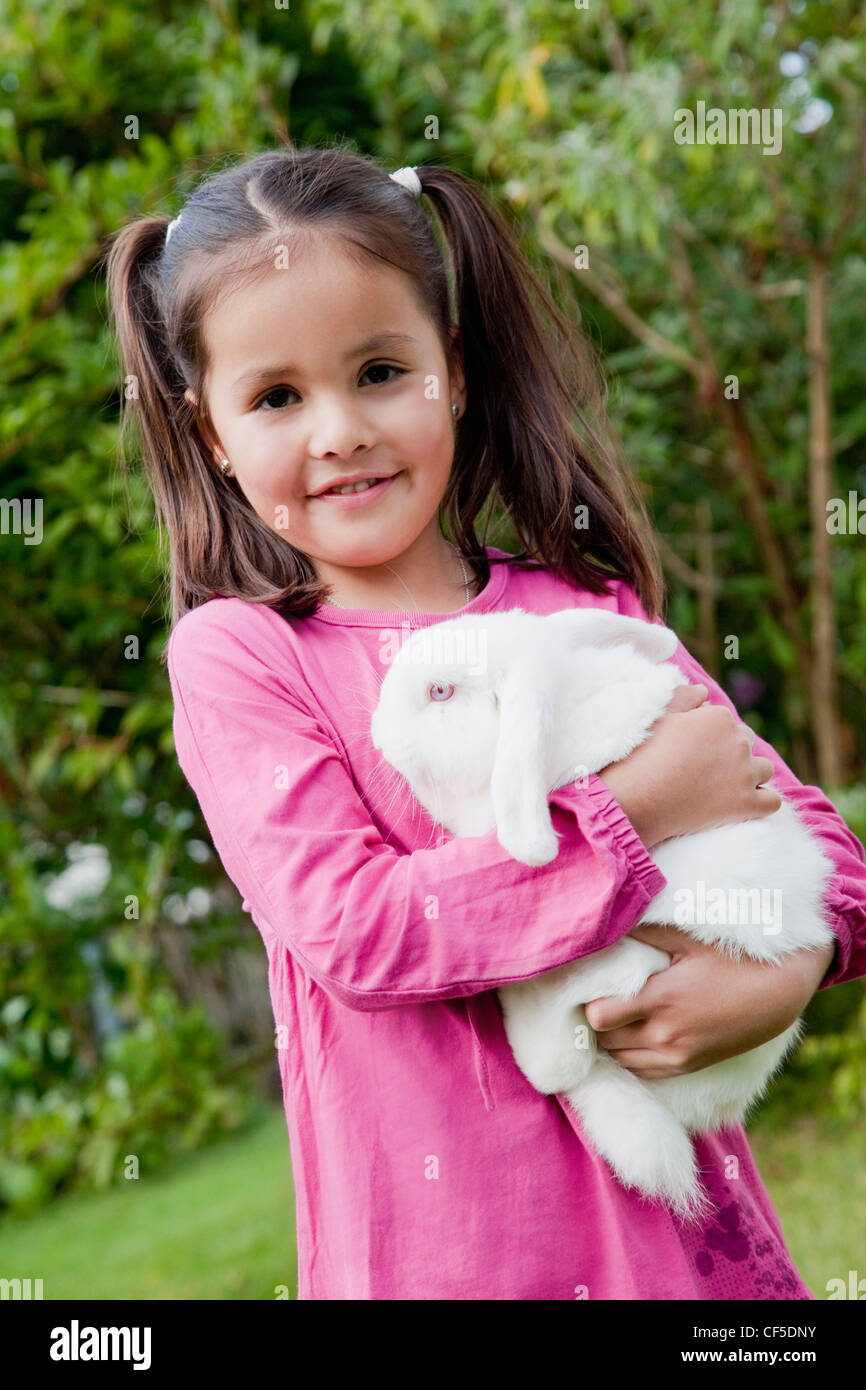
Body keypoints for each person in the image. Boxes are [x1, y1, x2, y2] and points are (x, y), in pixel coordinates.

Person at [105, 144, 866, 1300]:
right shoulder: (245, 661)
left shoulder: (581, 609)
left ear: (449, 374)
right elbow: (362, 933)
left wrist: (788, 967)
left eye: (376, 370)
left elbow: (828, 855)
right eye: (275, 396)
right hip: (447, 1264)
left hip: (685, 1267)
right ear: (211, 435)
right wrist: (629, 819)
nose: (336, 431)